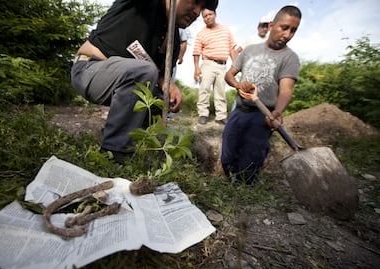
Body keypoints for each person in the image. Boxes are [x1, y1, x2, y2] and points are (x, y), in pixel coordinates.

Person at [71, 0, 219, 164]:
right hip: (89, 69)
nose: (197, 12)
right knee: (145, 71)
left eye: (202, 7)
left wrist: (169, 85)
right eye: (195, 1)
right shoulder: (143, 4)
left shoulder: (172, 40)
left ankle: (134, 143)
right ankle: (114, 151)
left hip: (123, 79)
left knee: (159, 100)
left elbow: (160, 73)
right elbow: (148, 70)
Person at [221, 5, 302, 184]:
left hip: (262, 115)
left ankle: (245, 187)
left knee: (249, 163)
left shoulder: (290, 58)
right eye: (284, 27)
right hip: (239, 110)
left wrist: (277, 112)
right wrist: (238, 85)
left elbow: (286, 90)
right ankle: (231, 181)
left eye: (293, 31)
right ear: (272, 25)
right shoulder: (250, 50)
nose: (287, 34)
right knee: (227, 154)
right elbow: (229, 74)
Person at [193, 8, 237, 125]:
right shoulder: (201, 33)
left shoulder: (225, 30)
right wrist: (196, 68)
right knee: (204, 89)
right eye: (205, 16)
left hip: (222, 65)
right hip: (208, 64)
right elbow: (196, 52)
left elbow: (231, 48)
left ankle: (221, 116)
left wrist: (235, 64)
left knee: (221, 91)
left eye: (210, 14)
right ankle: (203, 114)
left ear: (215, 14)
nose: (208, 17)